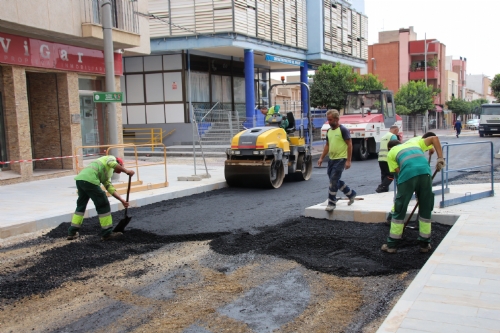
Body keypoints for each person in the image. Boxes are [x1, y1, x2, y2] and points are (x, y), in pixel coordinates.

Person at [381, 135, 445, 254]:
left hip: (408, 174)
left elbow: (399, 174)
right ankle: (425, 245)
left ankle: (392, 245)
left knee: (400, 208)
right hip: (425, 173)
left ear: (390, 148)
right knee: (425, 209)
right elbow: (434, 138)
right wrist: (440, 158)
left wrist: (404, 194)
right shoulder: (414, 143)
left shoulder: (391, 153)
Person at [68, 155, 135, 241]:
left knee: (81, 205)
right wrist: (127, 171)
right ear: (119, 164)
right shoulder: (111, 158)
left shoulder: (106, 172)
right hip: (90, 180)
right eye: (116, 170)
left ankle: (72, 232)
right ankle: (107, 233)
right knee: (103, 204)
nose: (114, 171)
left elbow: (109, 188)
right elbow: (113, 164)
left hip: (80, 180)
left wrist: (122, 200)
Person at [318, 110, 357, 212]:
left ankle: (331, 203)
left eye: (330, 120)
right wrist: (321, 157)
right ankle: (350, 193)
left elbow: (349, 144)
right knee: (333, 179)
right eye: (328, 119)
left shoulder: (343, 130)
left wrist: (348, 160)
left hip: (341, 159)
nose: (329, 122)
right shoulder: (329, 131)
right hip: (331, 159)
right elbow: (327, 145)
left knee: (333, 180)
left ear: (336, 119)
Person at [376, 125, 400, 193]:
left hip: (381, 158)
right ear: (395, 130)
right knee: (390, 175)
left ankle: (384, 189)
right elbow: (395, 147)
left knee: (384, 174)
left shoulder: (383, 136)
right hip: (388, 158)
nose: (397, 133)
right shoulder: (393, 136)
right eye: (397, 131)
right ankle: (382, 187)